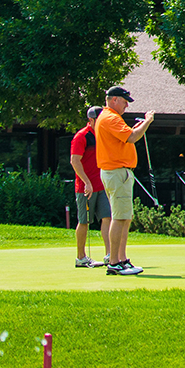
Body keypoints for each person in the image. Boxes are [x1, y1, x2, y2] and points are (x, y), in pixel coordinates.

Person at [95, 86, 154, 275]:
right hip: (116, 172)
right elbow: (132, 137)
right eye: (124, 101)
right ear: (114, 100)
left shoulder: (111, 118)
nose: (127, 105)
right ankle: (114, 262)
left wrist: (136, 128)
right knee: (119, 217)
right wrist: (147, 122)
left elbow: (125, 135)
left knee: (125, 217)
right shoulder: (110, 117)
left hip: (120, 172)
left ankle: (122, 259)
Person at [70, 106, 113, 267]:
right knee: (84, 222)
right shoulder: (82, 136)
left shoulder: (103, 135)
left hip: (102, 185)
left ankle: (110, 255)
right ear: (91, 120)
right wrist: (87, 182)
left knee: (107, 217)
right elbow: (75, 161)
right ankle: (81, 257)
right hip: (85, 188)